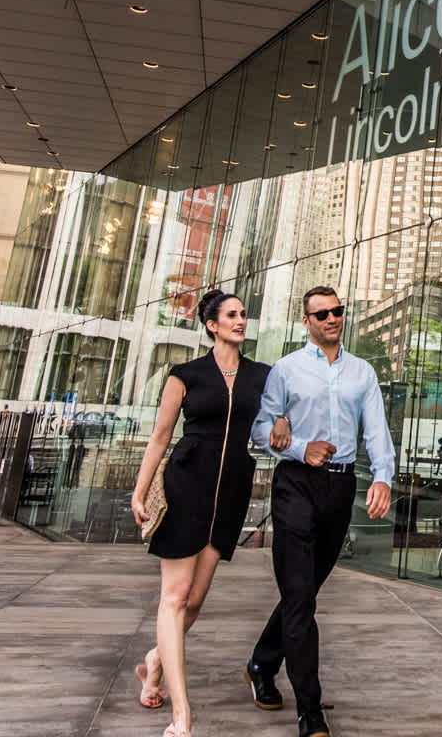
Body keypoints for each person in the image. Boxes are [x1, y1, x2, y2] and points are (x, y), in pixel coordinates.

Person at [243, 287, 395, 737]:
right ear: (306, 321)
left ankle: (261, 663)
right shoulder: (286, 370)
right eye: (322, 313)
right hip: (295, 484)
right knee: (299, 596)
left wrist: (383, 477)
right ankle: (310, 711)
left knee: (304, 592)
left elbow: (377, 430)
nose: (331, 318)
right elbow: (261, 428)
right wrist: (299, 446)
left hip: (340, 487)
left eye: (337, 311)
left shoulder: (362, 372)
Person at [128, 290, 276, 737]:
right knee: (174, 598)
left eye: (243, 314)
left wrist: (286, 424)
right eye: (231, 315)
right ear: (212, 325)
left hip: (231, 489)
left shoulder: (261, 375)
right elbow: (160, 437)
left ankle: (156, 660)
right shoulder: (185, 375)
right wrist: (140, 491)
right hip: (186, 485)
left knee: (193, 602)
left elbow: (276, 418)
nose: (240, 320)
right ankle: (182, 715)